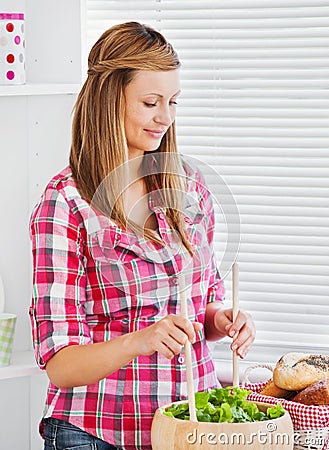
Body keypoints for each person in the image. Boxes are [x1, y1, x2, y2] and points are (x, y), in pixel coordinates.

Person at [29, 21, 255, 450]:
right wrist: (142, 339)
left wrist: (220, 321)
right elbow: (60, 364)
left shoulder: (188, 187)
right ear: (108, 101)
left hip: (190, 426)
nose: (165, 118)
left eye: (172, 102)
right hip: (96, 430)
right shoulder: (66, 204)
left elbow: (200, 308)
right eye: (151, 102)